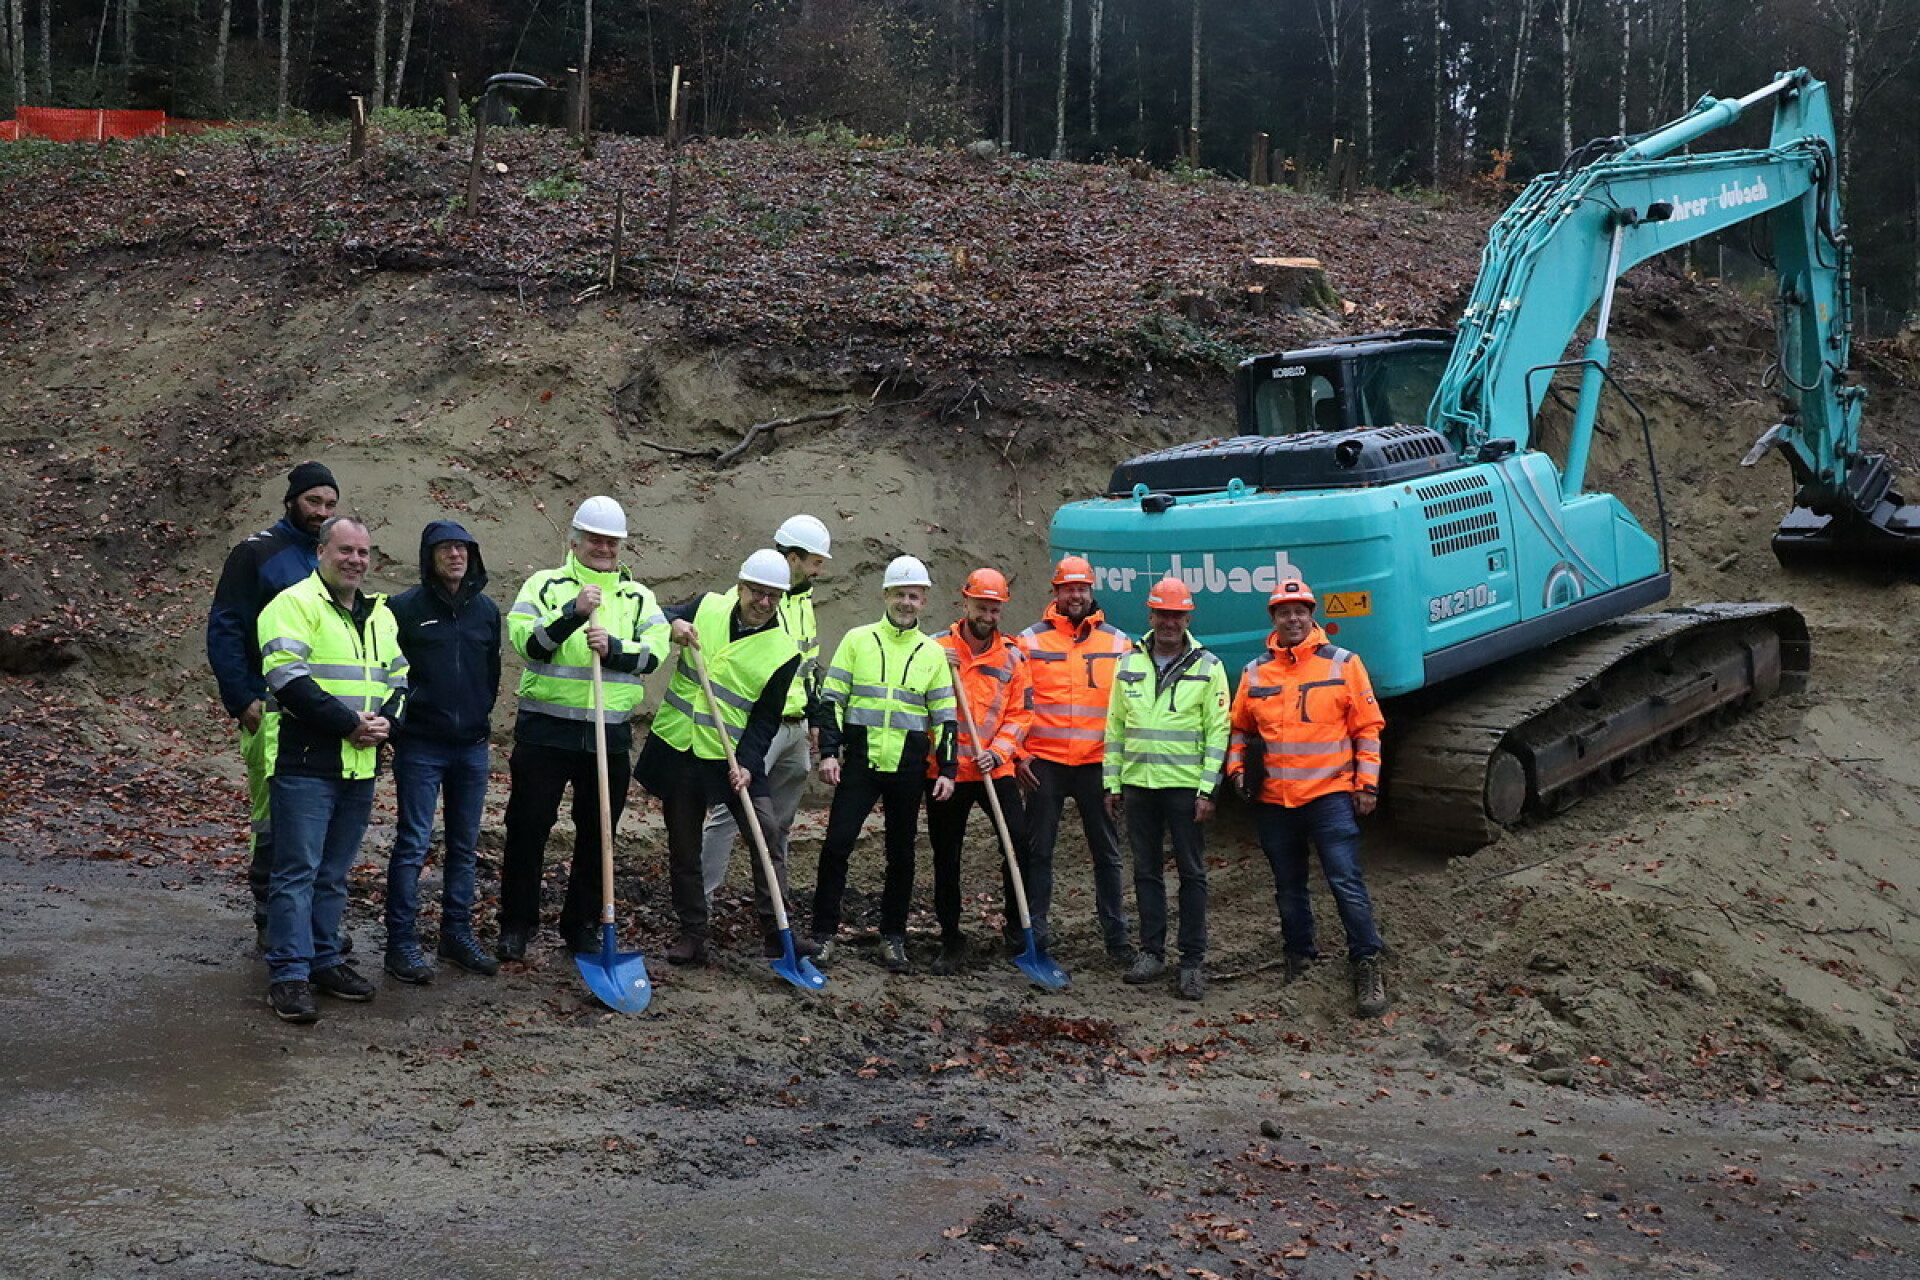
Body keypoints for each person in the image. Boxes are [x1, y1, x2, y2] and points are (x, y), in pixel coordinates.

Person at [497, 496, 668, 962]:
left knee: (598, 836)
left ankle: (584, 926)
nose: (604, 548)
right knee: (528, 828)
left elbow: (655, 653)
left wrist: (613, 646)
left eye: (612, 541)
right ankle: (516, 923)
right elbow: (529, 645)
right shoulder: (543, 585)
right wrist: (572, 612)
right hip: (544, 733)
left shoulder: (638, 597)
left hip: (607, 735)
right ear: (574, 540)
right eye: (595, 539)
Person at [257, 515, 407, 1023]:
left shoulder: (381, 615)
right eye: (346, 550)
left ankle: (323, 959)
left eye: (363, 553)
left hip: (359, 765)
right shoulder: (292, 605)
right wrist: (348, 725)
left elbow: (401, 680)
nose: (356, 561)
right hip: (306, 762)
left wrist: (386, 722)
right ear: (321, 552)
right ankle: (289, 974)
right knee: (296, 872)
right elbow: (288, 680)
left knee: (333, 874)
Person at [634, 550, 811, 966]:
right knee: (684, 846)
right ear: (741, 586)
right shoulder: (707, 607)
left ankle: (777, 930)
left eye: (773, 596)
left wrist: (749, 764)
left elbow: (766, 720)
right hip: (680, 748)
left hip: (734, 758)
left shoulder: (784, 652)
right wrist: (671, 625)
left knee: (766, 833)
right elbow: (651, 615)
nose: (764, 602)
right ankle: (693, 933)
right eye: (757, 592)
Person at [1226, 576, 1390, 1017]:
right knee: (1288, 888)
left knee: (1345, 882)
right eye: (1284, 611)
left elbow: (1367, 728)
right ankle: (1299, 958)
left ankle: (1367, 961)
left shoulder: (1343, 664)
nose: (1293, 618)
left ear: (1312, 616)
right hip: (1275, 802)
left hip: (1329, 796)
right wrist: (1237, 770)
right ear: (1274, 619)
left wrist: (1367, 784)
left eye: (1301, 610)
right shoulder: (1255, 671)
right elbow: (1238, 728)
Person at [206, 461, 340, 948]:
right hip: (271, 710)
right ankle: (271, 920)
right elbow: (225, 626)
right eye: (313, 502)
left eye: (329, 504)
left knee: (317, 819)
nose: (320, 511)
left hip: (325, 713)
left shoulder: (332, 557)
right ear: (291, 501)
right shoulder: (257, 553)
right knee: (273, 817)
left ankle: (306, 922)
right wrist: (240, 697)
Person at [809, 555, 958, 973]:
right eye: (899, 594)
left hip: (909, 770)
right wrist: (828, 754)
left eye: (913, 595)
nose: (906, 602)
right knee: (837, 845)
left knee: (902, 856)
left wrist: (947, 769)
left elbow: (945, 716)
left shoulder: (933, 653)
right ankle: (822, 936)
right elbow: (832, 700)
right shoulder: (858, 640)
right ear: (885, 595)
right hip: (860, 762)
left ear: (924, 600)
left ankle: (893, 937)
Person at [382, 521, 502, 984]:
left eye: (463, 548)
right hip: (421, 746)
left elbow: (491, 673)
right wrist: (403, 723)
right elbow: (392, 673)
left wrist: (477, 717)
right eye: (446, 548)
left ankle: (456, 933)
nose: (456, 555)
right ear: (428, 556)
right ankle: (402, 942)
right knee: (413, 843)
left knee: (464, 846)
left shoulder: (487, 611)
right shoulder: (404, 609)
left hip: (470, 746)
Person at [1102, 577, 1230, 1001]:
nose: (1169, 622)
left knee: (1192, 874)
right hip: (1139, 785)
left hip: (1183, 788)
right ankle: (1152, 953)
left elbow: (1218, 732)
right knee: (1145, 872)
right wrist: (1111, 781)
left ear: (1187, 617)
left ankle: (1192, 961)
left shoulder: (1208, 667)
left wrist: (1208, 790)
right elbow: (1115, 728)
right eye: (1163, 613)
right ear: (1150, 615)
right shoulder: (1128, 664)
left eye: (1177, 615)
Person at [697, 514, 833, 902]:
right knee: (728, 816)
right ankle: (700, 903)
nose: (819, 570)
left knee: (780, 825)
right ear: (792, 558)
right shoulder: (743, 600)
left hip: (795, 726)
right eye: (815, 562)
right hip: (759, 727)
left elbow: (809, 665)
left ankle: (775, 907)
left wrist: (814, 716)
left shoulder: (804, 603)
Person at [1015, 554, 1135, 966]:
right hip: (1043, 763)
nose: (1076, 595)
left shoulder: (1119, 643)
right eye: (1069, 588)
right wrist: (1019, 754)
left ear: (1091, 591)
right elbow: (1014, 702)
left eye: (1082, 588)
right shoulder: (1029, 641)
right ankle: (1036, 932)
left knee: (1107, 853)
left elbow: (1129, 711)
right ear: (1056, 592)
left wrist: (1119, 769)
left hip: (1097, 764)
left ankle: (1116, 937)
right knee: (1039, 851)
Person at [924, 568, 1034, 975]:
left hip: (993, 768)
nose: (988, 615)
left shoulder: (1012, 655)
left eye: (995, 609)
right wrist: (936, 663)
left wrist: (1000, 751)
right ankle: (950, 936)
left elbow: (1022, 713)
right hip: (946, 772)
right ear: (965, 602)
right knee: (946, 855)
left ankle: (1018, 928)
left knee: (1018, 843)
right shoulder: (936, 647)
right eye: (981, 606)